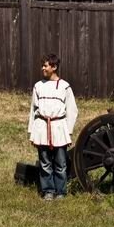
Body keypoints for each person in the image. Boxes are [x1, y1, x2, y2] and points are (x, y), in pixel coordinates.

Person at [28, 53, 78, 200]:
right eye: (42, 65)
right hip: (42, 128)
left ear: (54, 67)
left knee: (61, 163)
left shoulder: (64, 86)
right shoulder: (38, 86)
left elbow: (72, 110)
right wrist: (32, 131)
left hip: (59, 128)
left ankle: (61, 192)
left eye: (45, 65)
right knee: (45, 163)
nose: (42, 68)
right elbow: (33, 110)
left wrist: (67, 131)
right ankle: (48, 190)